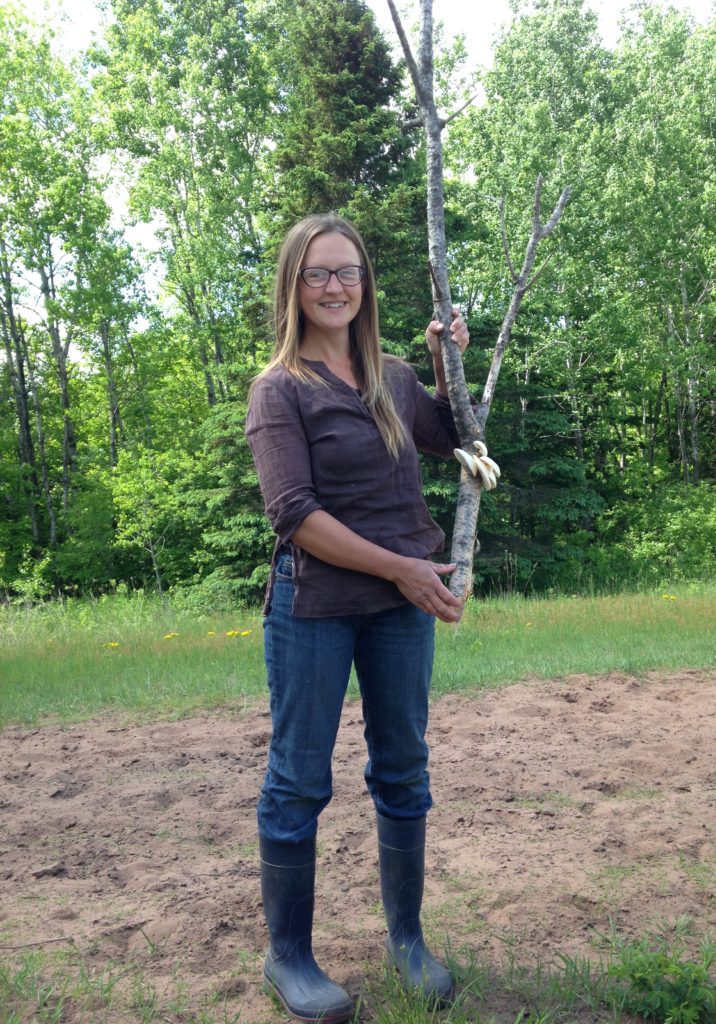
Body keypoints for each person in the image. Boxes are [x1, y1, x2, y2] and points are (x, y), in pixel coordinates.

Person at [245, 212, 469, 1024]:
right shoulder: (279, 389)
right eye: (317, 274)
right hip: (316, 607)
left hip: (398, 608)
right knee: (299, 779)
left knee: (404, 768)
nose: (335, 286)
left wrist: (449, 364)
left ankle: (407, 941)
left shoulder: (394, 377)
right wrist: (404, 568)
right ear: (294, 288)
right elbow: (293, 513)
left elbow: (450, 439)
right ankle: (290, 957)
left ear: (365, 284)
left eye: (347, 272)